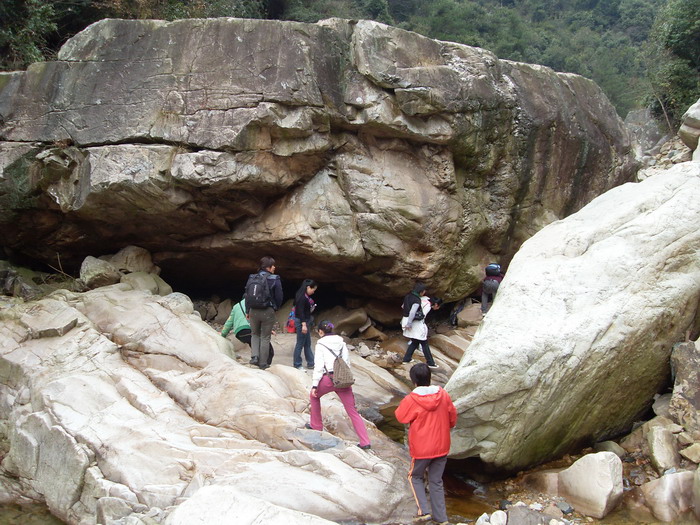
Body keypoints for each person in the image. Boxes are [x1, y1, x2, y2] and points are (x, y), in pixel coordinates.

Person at [395, 363, 457, 525]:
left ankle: (423, 511)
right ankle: (442, 519)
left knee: (414, 476)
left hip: (422, 448)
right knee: (436, 480)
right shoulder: (443, 394)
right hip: (442, 445)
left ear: (414, 380)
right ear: (430, 377)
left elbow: (401, 417)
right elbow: (452, 417)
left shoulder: (412, 399)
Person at [307, 320, 371, 450]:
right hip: (343, 379)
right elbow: (346, 362)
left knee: (314, 396)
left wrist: (314, 385)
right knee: (352, 411)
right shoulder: (341, 343)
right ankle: (365, 442)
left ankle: (316, 426)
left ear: (321, 332)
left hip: (329, 379)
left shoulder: (320, 344)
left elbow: (319, 366)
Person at [245, 256, 283, 370]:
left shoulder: (252, 277)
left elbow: (247, 295)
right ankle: (263, 363)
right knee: (265, 337)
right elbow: (279, 296)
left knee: (255, 334)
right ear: (268, 267)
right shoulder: (274, 278)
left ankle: (254, 357)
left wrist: (247, 310)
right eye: (273, 265)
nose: (274, 267)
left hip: (253, 310)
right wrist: (276, 307)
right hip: (267, 310)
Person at [221, 298, 274, 365]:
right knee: (269, 350)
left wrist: (222, 335)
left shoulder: (236, 306)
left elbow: (229, 322)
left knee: (254, 346)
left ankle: (256, 361)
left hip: (240, 333)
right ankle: (263, 368)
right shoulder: (255, 304)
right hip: (250, 330)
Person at [401, 282, 438, 369]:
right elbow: (413, 312)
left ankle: (406, 359)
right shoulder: (417, 299)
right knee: (424, 342)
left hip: (405, 318)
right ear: (421, 292)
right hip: (414, 322)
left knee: (415, 341)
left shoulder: (407, 296)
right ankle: (431, 363)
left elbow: (403, 307)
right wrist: (409, 323)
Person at [293, 279, 317, 370]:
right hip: (302, 321)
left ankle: (311, 362)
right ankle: (297, 364)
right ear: (308, 287)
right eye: (313, 289)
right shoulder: (302, 297)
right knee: (300, 343)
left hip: (305, 320)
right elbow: (300, 312)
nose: (313, 292)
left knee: (307, 343)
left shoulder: (303, 296)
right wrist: (303, 325)